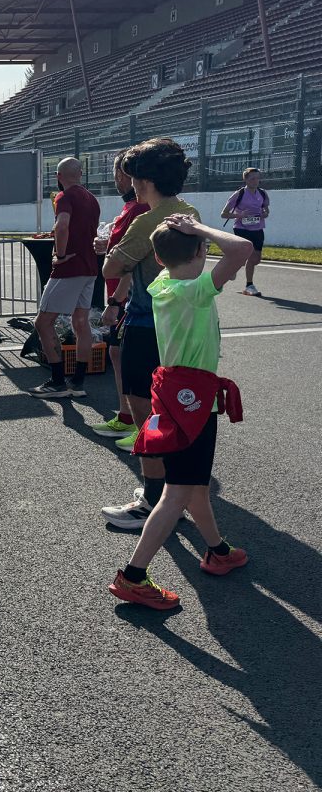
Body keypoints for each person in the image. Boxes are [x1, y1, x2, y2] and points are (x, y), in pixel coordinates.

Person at [107, 213, 251, 609]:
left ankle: (218, 550)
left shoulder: (162, 283)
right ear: (202, 250)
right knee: (176, 493)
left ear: (157, 256)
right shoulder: (194, 290)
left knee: (195, 485)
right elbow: (243, 249)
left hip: (176, 391)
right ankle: (132, 576)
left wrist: (189, 238)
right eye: (204, 246)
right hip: (192, 399)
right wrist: (200, 228)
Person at [102, 138, 198, 528]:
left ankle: (154, 500)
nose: (131, 182)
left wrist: (108, 252)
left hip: (147, 323)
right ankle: (176, 492)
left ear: (145, 180)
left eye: (135, 175)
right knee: (176, 410)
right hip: (184, 325)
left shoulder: (147, 220)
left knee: (148, 413)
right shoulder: (189, 211)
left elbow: (111, 268)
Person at [27, 157, 101, 399]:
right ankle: (77, 381)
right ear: (80, 174)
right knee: (81, 322)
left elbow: (63, 226)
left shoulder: (64, 197)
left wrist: (60, 254)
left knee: (43, 322)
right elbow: (83, 228)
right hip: (90, 267)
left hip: (70, 268)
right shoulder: (91, 198)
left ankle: (57, 380)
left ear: (58, 177)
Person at [92, 150, 150, 439]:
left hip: (129, 296)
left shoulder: (140, 209)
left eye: (119, 174)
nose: (116, 179)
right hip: (120, 293)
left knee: (131, 359)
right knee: (117, 354)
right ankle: (127, 416)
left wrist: (116, 302)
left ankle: (143, 429)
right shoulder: (130, 209)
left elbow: (134, 259)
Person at [220, 167, 270, 297]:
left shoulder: (262, 193)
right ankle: (249, 285)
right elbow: (223, 214)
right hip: (242, 229)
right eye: (252, 178)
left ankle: (235, 266)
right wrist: (240, 215)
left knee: (256, 259)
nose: (256, 181)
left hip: (258, 229)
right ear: (246, 179)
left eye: (258, 178)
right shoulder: (239, 194)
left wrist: (265, 214)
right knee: (244, 256)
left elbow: (266, 210)